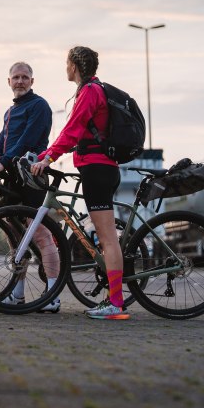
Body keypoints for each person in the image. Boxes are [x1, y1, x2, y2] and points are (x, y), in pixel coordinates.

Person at [31, 46, 130, 320]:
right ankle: (115, 300)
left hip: (98, 169)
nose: (65, 68)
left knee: (108, 240)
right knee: (106, 238)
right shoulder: (93, 90)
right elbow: (71, 132)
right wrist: (43, 156)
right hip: (97, 168)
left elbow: (72, 131)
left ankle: (116, 305)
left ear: (74, 65)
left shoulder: (90, 92)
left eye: (66, 63)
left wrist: (48, 158)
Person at [0, 62, 61, 313]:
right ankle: (17, 295)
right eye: (15, 77)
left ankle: (53, 295)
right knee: (15, 238)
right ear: (9, 82)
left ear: (32, 81)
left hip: (32, 176)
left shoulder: (39, 106)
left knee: (40, 235)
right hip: (11, 179)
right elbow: (0, 145)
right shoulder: (9, 112)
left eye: (24, 77)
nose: (20, 81)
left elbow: (28, 139)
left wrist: (3, 161)